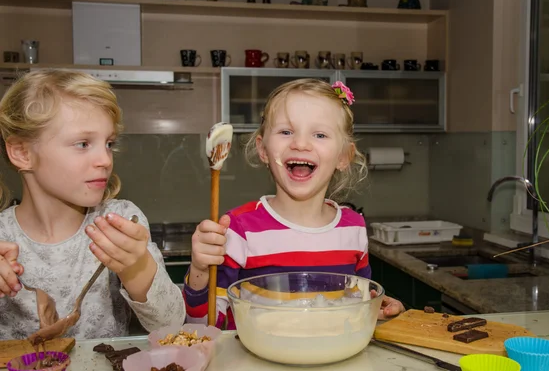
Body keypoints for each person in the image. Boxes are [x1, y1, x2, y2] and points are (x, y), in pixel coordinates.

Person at [184, 78, 404, 328]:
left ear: (343, 156)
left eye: (320, 134)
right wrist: (199, 270)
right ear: (263, 149)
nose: (300, 143)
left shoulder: (353, 228)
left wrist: (378, 312)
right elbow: (203, 327)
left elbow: (358, 310)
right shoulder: (239, 230)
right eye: (286, 132)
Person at [0, 69, 185, 340]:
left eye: (109, 144)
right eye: (83, 143)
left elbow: (171, 326)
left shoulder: (120, 222)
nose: (105, 160)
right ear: (22, 153)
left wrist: (137, 268)